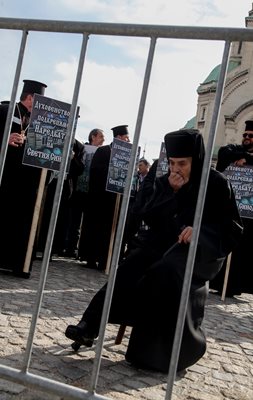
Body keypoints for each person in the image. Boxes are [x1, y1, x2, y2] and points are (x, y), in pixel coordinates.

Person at [65, 128, 243, 373]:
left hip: (201, 253)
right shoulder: (164, 181)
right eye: (172, 163)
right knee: (130, 267)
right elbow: (146, 214)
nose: (176, 169)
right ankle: (90, 324)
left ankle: (151, 354)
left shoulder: (217, 184)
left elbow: (231, 229)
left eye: (182, 163)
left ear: (196, 160)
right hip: (161, 244)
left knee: (165, 270)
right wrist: (170, 193)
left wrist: (200, 232)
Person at [0, 79, 47, 278]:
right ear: (30, 98)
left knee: (23, 222)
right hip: (5, 177)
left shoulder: (40, 122)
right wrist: (5, 139)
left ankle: (18, 264)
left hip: (28, 181)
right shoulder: (5, 111)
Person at [78, 124, 130, 271]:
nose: (128, 140)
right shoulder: (103, 151)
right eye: (126, 137)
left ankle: (105, 259)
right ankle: (91, 258)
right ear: (119, 137)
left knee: (110, 230)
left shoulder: (127, 155)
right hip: (100, 199)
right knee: (96, 228)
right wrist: (113, 170)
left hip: (116, 200)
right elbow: (95, 171)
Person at [210, 120, 253, 296]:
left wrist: (248, 159)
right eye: (245, 135)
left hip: (250, 214)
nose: (247, 138)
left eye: (251, 136)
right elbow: (223, 153)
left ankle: (234, 286)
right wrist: (240, 157)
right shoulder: (233, 150)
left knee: (243, 252)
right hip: (232, 210)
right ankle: (220, 283)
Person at [63, 128, 105, 257]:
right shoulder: (82, 148)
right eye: (101, 137)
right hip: (77, 190)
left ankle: (82, 251)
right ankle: (70, 247)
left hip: (91, 192)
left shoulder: (103, 152)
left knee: (87, 223)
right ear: (93, 136)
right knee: (74, 221)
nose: (103, 140)